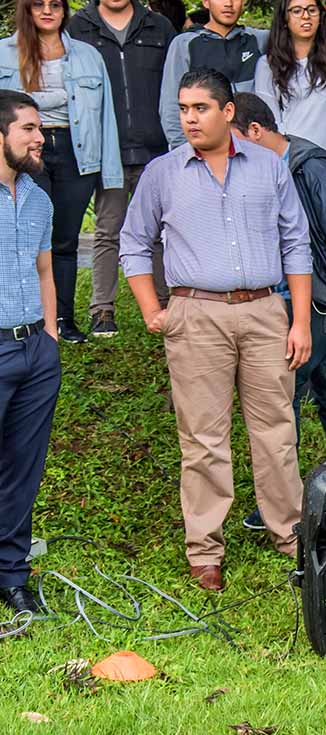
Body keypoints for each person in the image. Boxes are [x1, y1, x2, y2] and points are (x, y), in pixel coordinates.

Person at [120, 69, 312, 591]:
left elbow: (296, 243)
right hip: (195, 314)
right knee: (202, 439)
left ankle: (292, 536)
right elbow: (134, 243)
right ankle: (205, 549)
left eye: (200, 108)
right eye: (184, 108)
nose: (189, 118)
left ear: (229, 112)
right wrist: (150, 310)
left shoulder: (270, 168)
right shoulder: (163, 173)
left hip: (264, 311)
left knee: (276, 432)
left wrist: (299, 320)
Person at [231, 93, 326, 530]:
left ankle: (281, 504)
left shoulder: (309, 167)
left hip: (323, 305)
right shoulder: (277, 167)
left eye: (238, 140)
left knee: (281, 400)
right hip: (305, 302)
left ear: (256, 131)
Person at [0, 0, 122, 344]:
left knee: (65, 239)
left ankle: (63, 319)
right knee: (23, 235)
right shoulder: (3, 53)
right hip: (25, 150)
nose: (47, 10)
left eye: (55, 4)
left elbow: (106, 117)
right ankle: (24, 316)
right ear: (27, 9)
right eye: (38, 4)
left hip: (76, 150)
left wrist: (109, 174)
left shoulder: (87, 55)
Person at [68, 0, 175, 338]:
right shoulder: (78, 28)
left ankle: (165, 302)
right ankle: (102, 309)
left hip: (155, 148)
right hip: (107, 149)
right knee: (108, 229)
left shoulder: (158, 27)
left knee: (161, 230)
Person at [0, 90, 60, 616]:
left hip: (34, 353)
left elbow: (45, 271)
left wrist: (50, 339)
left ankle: (13, 577)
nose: (41, 137)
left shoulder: (38, 198)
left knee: (24, 470)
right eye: (29, 128)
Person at [157, 0, 326, 150]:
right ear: (206, 2)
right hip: (204, 149)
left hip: (250, 148)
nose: (229, 4)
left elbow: (299, 27)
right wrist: (183, 150)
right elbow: (170, 106)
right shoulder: (185, 44)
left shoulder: (257, 39)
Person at [253, 0, 326, 198]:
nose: (305, 16)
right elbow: (270, 120)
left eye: (312, 10)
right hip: (293, 165)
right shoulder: (268, 64)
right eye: (296, 11)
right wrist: (289, 158)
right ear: (285, 18)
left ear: (320, 16)